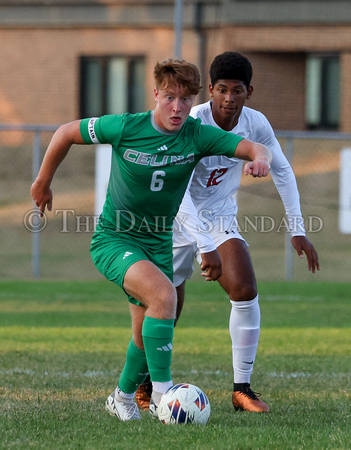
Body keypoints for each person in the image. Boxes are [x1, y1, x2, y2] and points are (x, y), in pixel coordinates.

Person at [30, 58, 272, 421]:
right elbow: (65, 132)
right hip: (115, 238)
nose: (177, 108)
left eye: (186, 100)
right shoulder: (126, 127)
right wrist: (43, 181)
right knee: (165, 296)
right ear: (156, 94)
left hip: (158, 241)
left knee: (146, 334)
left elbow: (253, 148)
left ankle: (122, 397)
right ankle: (163, 395)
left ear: (194, 101)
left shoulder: (196, 135)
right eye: (170, 98)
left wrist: (260, 160)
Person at [135, 52, 320, 414]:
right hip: (174, 215)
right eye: (221, 90)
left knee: (245, 288)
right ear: (212, 90)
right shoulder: (191, 122)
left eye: (237, 91)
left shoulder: (256, 124)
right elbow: (181, 191)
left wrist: (297, 229)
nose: (228, 98)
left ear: (249, 92)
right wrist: (205, 246)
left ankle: (242, 389)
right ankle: (145, 384)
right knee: (165, 304)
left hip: (219, 215)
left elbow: (282, 170)